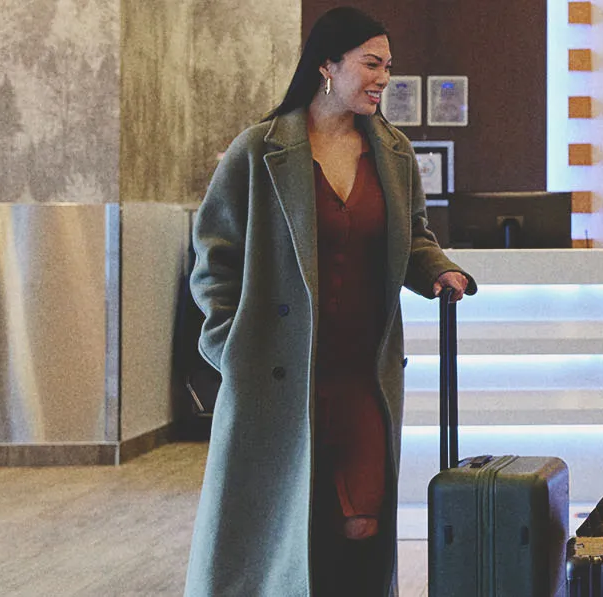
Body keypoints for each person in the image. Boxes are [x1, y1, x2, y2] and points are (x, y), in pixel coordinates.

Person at [183, 7, 475, 595]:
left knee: (362, 522)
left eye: (388, 67)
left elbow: (413, 236)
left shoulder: (392, 154)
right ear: (327, 66)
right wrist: (230, 348)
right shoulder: (257, 151)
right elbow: (213, 261)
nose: (382, 78)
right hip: (277, 376)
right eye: (371, 64)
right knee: (285, 528)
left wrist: (440, 270)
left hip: (362, 375)